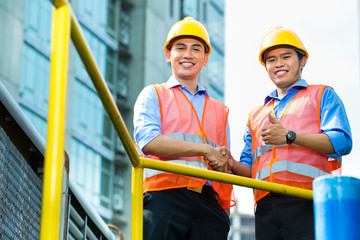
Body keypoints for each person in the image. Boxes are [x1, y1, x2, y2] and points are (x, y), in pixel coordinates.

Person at [223, 26, 353, 240]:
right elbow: (249, 169)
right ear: (265, 67)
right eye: (271, 60)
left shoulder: (322, 95)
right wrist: (231, 164)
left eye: (286, 56)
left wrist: (290, 137)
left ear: (302, 61)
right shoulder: (255, 115)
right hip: (265, 208)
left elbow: (343, 141)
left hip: (307, 201)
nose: (278, 64)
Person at [133, 17, 235, 240]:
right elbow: (149, 141)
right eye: (180, 48)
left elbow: (223, 172)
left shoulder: (219, 110)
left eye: (196, 49)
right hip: (164, 199)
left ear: (205, 58)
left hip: (209, 208)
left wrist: (223, 216)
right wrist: (206, 150)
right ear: (168, 55)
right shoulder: (153, 95)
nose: (188, 54)